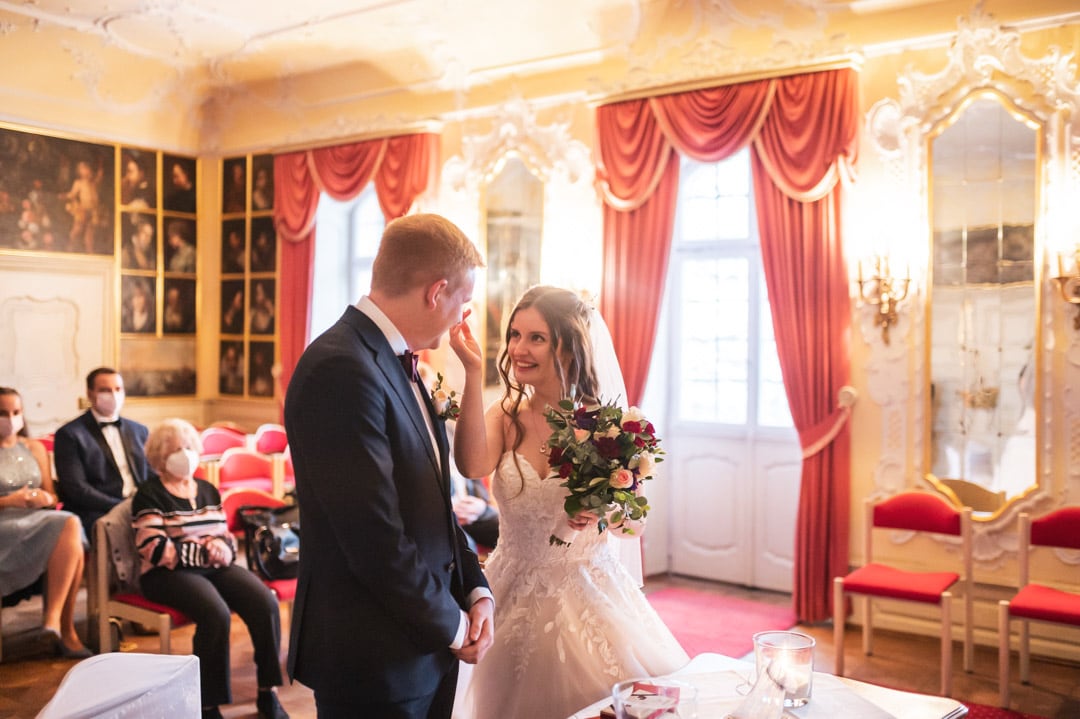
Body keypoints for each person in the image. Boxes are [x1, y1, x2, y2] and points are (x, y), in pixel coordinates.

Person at [283, 213, 493, 718]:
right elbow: (373, 536)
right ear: (436, 291)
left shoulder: (395, 358)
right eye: (463, 302)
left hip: (421, 645)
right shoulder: (341, 367)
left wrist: (474, 587)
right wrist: (453, 625)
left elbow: (434, 507)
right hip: (372, 654)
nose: (462, 317)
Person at [450, 286, 689, 718]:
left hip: (587, 593)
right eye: (515, 335)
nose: (519, 349)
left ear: (568, 344)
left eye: (536, 337)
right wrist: (471, 372)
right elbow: (469, 465)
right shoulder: (505, 416)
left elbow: (632, 527)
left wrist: (605, 510)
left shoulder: (606, 428)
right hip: (508, 590)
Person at [132, 418, 288, 719]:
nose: (186, 454)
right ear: (160, 458)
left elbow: (224, 536)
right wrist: (206, 551)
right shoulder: (149, 493)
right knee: (215, 614)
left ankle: (268, 691)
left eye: (189, 447)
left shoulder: (207, 489)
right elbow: (153, 547)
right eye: (177, 449)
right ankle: (207, 704)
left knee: (264, 601)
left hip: (212, 566)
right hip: (166, 574)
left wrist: (223, 548)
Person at [0, 387, 92, 659]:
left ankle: (55, 623)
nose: (11, 418)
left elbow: (52, 496)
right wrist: (9, 501)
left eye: (16, 412)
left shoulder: (34, 447)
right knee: (71, 529)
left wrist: (41, 497)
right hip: (4, 523)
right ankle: (61, 627)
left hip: (35, 518)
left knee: (70, 523)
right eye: (3, 413)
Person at [54, 368, 156, 535]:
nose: (113, 395)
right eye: (105, 390)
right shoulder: (70, 434)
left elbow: (151, 475)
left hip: (140, 505)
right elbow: (77, 489)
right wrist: (122, 506)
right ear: (90, 393)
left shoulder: (139, 430)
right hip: (97, 510)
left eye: (118, 389)